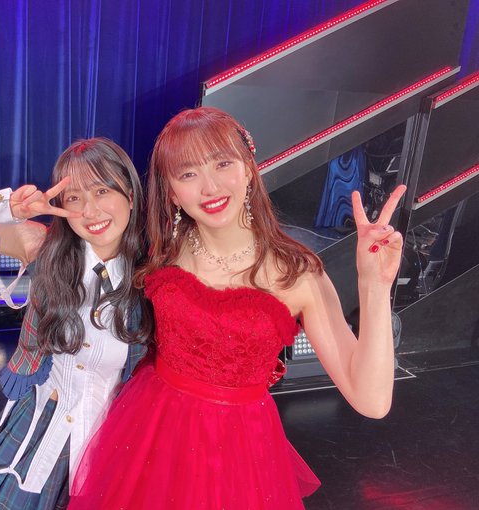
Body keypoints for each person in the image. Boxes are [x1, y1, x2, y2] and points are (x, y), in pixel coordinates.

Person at [67, 107, 406, 509]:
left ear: (248, 168)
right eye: (188, 174)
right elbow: (71, 230)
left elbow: (372, 401)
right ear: (171, 191)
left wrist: (374, 286)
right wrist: (12, 211)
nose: (209, 187)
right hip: (151, 435)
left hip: (236, 453)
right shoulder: (162, 247)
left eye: (222, 164)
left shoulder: (297, 275)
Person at [0, 137, 152, 509]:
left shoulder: (154, 271)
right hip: (32, 435)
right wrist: (6, 206)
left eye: (102, 191)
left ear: (131, 196)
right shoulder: (42, 246)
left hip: (111, 445)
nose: (90, 210)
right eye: (74, 197)